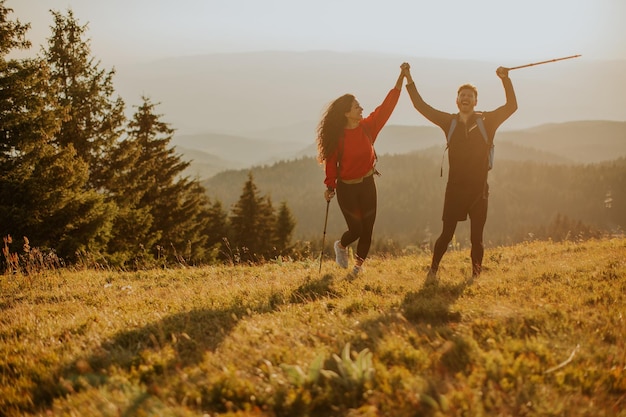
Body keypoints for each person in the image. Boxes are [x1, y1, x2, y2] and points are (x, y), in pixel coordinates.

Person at [402, 63, 517, 279]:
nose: (466, 98)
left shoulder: (487, 121)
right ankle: (433, 271)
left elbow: (512, 106)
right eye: (462, 95)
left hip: (479, 192)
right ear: (457, 101)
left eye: (470, 96)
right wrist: (408, 77)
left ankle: (476, 276)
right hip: (454, 190)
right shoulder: (449, 122)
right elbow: (421, 106)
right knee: (446, 234)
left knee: (477, 238)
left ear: (476, 101)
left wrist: (505, 79)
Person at [316, 63, 408, 276]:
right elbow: (331, 164)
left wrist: (401, 78)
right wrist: (329, 186)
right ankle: (341, 246)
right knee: (356, 229)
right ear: (347, 113)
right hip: (347, 189)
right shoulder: (337, 139)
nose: (361, 109)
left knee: (368, 229)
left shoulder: (368, 127)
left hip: (367, 184)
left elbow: (387, 106)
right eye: (357, 107)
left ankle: (358, 267)